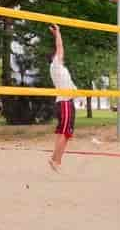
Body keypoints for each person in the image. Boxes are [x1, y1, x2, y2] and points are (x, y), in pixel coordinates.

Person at [48, 24, 77, 173]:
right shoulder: (56, 66)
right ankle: (55, 160)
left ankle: (55, 160)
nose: (61, 55)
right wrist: (57, 33)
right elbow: (60, 47)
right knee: (65, 133)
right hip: (64, 102)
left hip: (67, 102)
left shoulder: (61, 69)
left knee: (63, 133)